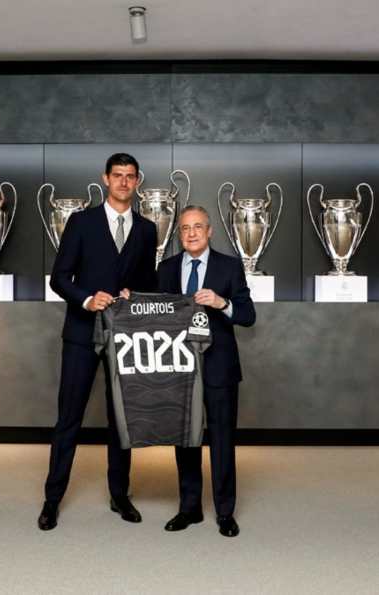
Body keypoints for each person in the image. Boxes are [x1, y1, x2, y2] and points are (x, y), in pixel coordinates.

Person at [38, 153, 158, 531]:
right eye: (117, 175)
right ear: (105, 179)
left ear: (138, 181)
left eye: (130, 176)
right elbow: (59, 278)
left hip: (125, 336)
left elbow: (149, 283)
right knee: (69, 418)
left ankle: (119, 495)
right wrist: (88, 299)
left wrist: (135, 294)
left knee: (121, 419)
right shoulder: (81, 222)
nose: (123, 182)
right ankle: (52, 499)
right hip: (81, 333)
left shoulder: (147, 229)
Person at [156, 206, 255, 537]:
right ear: (179, 234)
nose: (192, 233)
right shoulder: (166, 268)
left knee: (222, 440)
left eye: (198, 227)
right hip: (180, 366)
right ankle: (189, 508)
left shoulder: (229, 266)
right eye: (185, 228)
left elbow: (248, 315)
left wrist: (221, 303)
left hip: (219, 368)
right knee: (186, 440)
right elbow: (154, 312)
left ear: (210, 231)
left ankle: (225, 512)